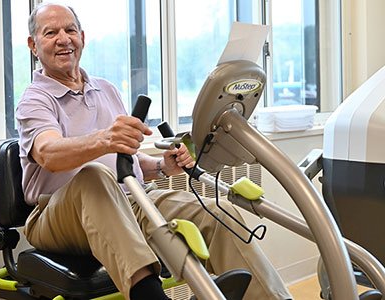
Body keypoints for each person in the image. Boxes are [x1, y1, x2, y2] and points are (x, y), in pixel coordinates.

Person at [16, 3, 292, 300]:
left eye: (70, 30)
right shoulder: (35, 99)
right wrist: (105, 139)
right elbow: (48, 153)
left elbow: (126, 160)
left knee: (215, 213)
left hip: (129, 199)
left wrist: (162, 166)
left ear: (82, 36)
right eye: (51, 32)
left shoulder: (106, 89)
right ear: (33, 45)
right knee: (93, 177)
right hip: (57, 216)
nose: (64, 38)